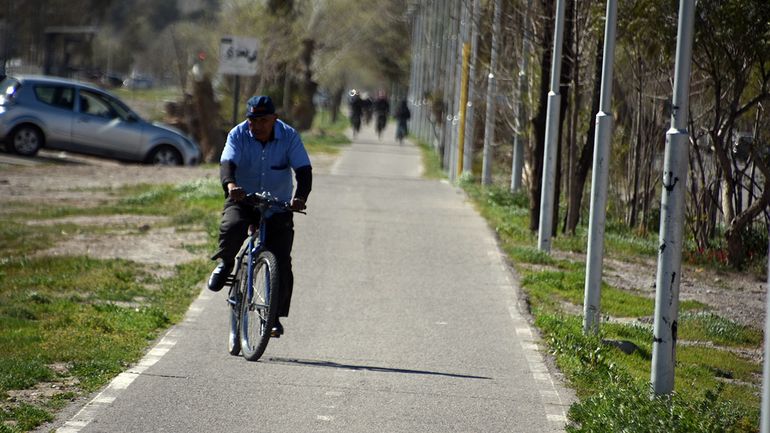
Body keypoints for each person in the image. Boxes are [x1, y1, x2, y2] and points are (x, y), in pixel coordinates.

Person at [207, 95, 312, 337]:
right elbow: (227, 163)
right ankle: (226, 263)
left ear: (274, 119)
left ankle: (273, 317)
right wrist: (231, 185)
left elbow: (304, 171)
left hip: (278, 206)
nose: (257, 125)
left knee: (282, 263)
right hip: (242, 199)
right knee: (232, 227)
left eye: (263, 120)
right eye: (252, 120)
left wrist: (300, 198)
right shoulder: (237, 134)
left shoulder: (289, 137)